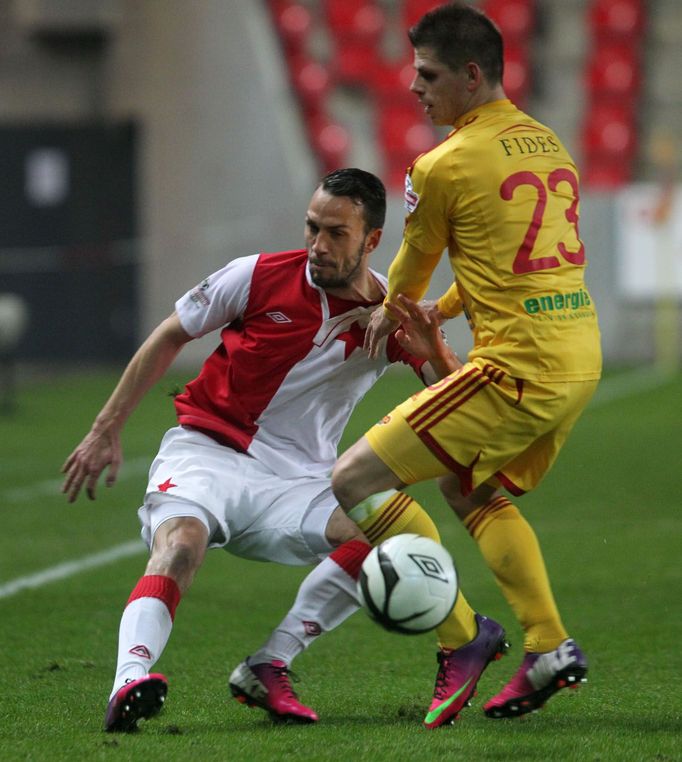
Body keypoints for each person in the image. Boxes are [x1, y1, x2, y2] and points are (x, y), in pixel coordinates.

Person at [61, 168, 494, 733]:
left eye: (336, 233)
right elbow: (172, 333)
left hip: (299, 483)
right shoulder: (258, 275)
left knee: (371, 554)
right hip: (207, 452)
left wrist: (431, 340)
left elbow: (450, 394)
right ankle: (129, 681)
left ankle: (270, 665)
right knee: (182, 544)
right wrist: (105, 426)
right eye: (312, 227)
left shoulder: (390, 312)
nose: (317, 245)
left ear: (371, 241)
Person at [329, 2, 602, 723]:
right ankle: (547, 645)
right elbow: (503, 262)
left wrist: (383, 321)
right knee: (468, 490)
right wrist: (444, 318)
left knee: (351, 477)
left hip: (518, 368)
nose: (415, 87)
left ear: (472, 75)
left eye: (429, 74)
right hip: (577, 357)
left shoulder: (441, 164)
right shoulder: (548, 143)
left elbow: (407, 282)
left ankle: (463, 638)